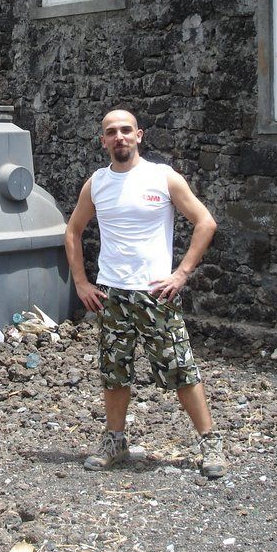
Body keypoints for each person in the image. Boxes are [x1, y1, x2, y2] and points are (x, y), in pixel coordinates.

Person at [64, 109, 227, 478]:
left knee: (181, 369)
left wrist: (182, 273)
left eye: (126, 130)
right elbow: (72, 231)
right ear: (103, 140)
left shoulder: (163, 177)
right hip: (112, 295)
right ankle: (115, 441)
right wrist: (81, 283)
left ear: (139, 135)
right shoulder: (96, 183)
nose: (119, 137)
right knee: (114, 371)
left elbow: (205, 222)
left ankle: (209, 443)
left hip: (156, 295)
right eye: (111, 132)